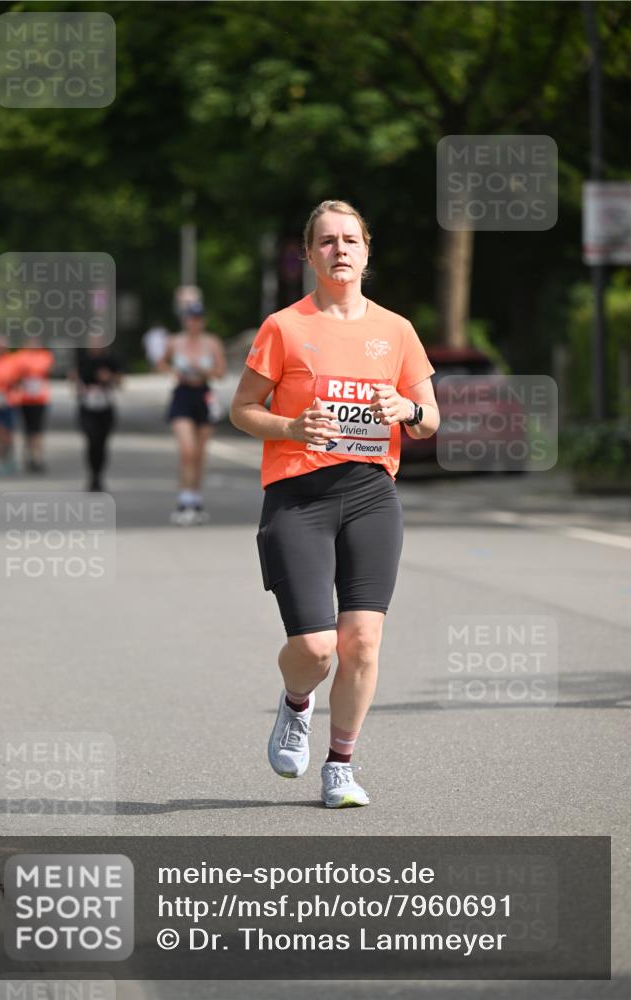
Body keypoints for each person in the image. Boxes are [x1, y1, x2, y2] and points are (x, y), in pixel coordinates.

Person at [230, 200, 440, 808]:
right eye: (327, 241)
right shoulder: (284, 327)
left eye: (351, 239)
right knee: (317, 647)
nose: (340, 250)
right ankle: (297, 703)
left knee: (363, 641)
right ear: (310, 254)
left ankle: (340, 766)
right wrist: (293, 427)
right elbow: (241, 410)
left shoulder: (396, 330)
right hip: (299, 497)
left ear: (367, 250)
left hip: (372, 494)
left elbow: (429, 421)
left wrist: (410, 411)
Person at [160, 301, 226, 525]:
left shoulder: (211, 342)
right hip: (182, 396)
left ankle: (196, 499)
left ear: (203, 321)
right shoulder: (175, 341)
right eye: (190, 318)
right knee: (187, 450)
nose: (194, 322)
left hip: (203, 395)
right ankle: (183, 499)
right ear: (185, 320)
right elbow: (160, 362)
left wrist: (203, 369)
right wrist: (174, 372)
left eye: (198, 318)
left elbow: (220, 372)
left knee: (199, 453)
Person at [72, 334, 123, 492]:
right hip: (87, 405)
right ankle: (92, 475)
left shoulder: (110, 359)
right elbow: (74, 378)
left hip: (105, 405)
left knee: (102, 442)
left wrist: (109, 377)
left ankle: (98, 475)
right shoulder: (82, 359)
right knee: (91, 439)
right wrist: (78, 386)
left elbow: (121, 382)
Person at [13, 342, 54, 472]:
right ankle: (27, 456)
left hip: (40, 398)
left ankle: (37, 458)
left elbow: (43, 369)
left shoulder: (44, 355)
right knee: (27, 429)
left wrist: (28, 370)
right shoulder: (20, 355)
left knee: (37, 429)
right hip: (24, 398)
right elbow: (16, 372)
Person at [0, 337, 21, 474]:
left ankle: (9, 459)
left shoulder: (13, 361)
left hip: (9, 402)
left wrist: (15, 393)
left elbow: (19, 381)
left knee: (8, 434)